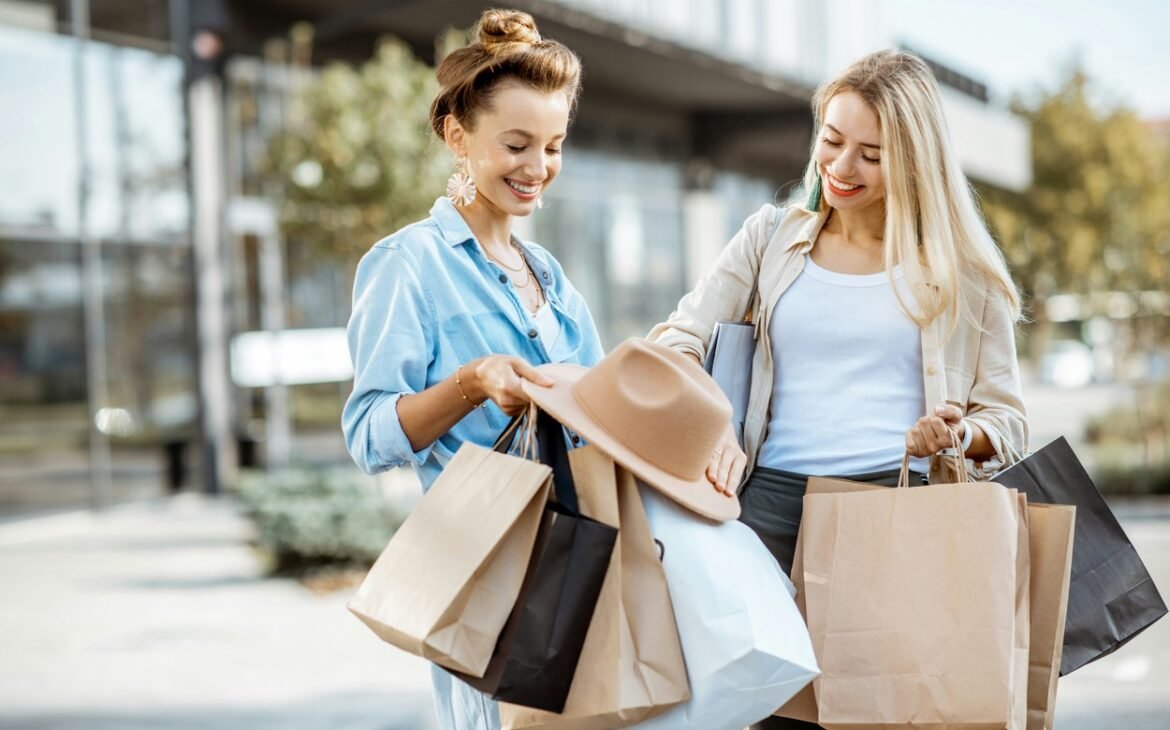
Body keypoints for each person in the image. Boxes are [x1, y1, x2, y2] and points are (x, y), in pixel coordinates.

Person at [648, 49, 1028, 729]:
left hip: (893, 511)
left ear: (914, 162)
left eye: (871, 154)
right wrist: (712, 429)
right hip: (761, 514)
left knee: (879, 714)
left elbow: (1005, 419)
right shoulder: (769, 238)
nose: (841, 167)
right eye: (831, 140)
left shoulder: (963, 275)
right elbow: (676, 342)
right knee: (759, 716)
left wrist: (958, 433)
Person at [341, 10, 602, 729]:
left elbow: (601, 402)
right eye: (515, 144)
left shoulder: (546, 272)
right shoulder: (407, 265)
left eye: (553, 146)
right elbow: (369, 435)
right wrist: (471, 382)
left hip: (575, 559)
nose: (537, 167)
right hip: (481, 570)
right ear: (458, 136)